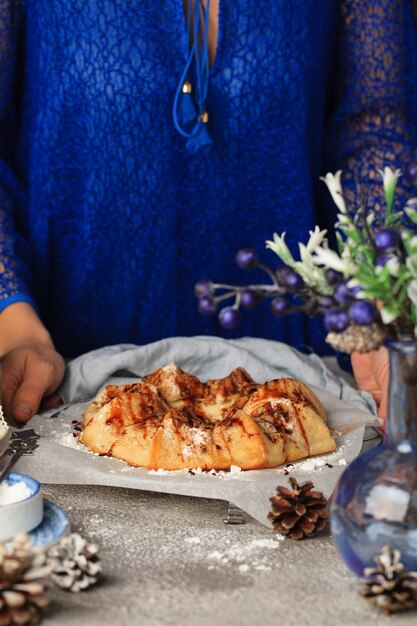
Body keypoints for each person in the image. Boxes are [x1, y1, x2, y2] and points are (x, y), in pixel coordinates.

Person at [0, 0, 416, 424]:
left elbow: (375, 130)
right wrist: (12, 321)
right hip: (58, 387)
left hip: (311, 394)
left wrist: (386, 308)